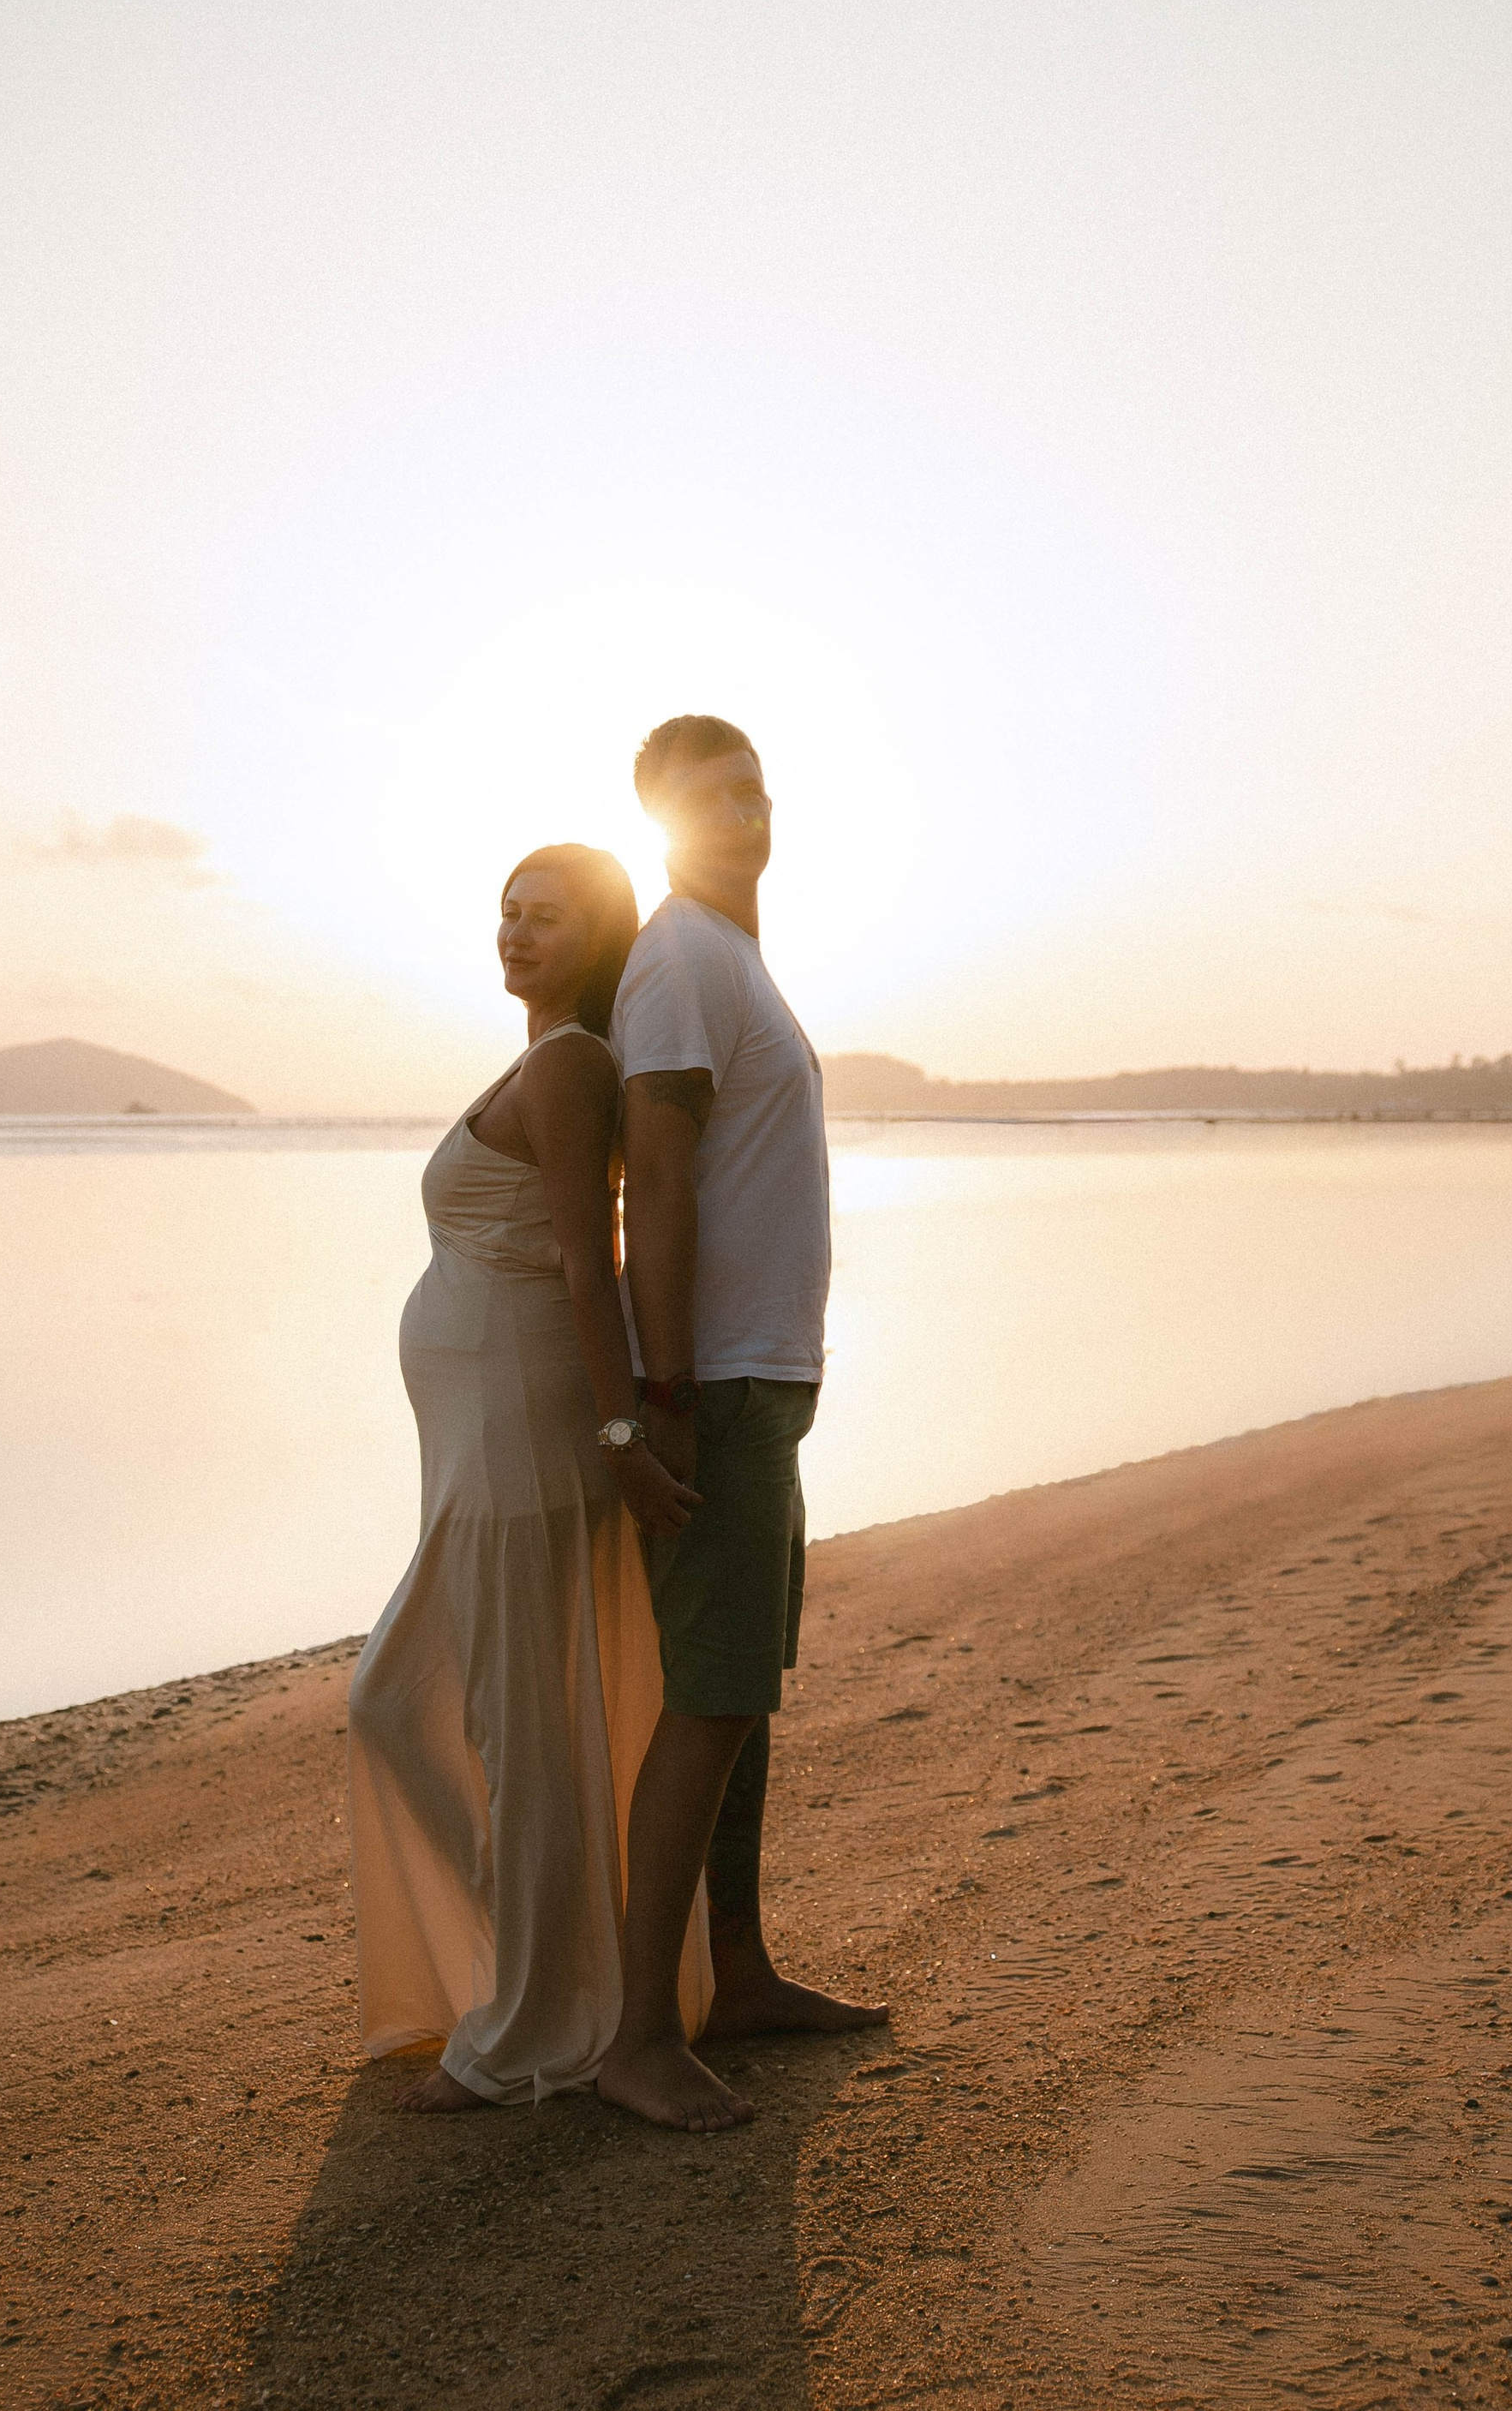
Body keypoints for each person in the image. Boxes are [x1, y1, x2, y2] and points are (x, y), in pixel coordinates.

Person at [346, 844, 710, 2109]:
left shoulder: (566, 1066)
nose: (514, 931)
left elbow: (582, 1259)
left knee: (509, 1734)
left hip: (518, 1428)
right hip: (479, 1438)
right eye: (505, 911)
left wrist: (622, 1441)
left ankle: (530, 2025)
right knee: (428, 1708)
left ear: (594, 938)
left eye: (544, 918)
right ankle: (543, 1964)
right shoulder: (548, 1052)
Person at [595, 716, 888, 2134]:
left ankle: (742, 1973)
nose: (745, 810)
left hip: (763, 1377)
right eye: (711, 795)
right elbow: (653, 1177)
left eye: (755, 787)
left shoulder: (735, 959)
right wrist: (661, 1399)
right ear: (662, 818)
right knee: (709, 1699)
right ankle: (641, 2034)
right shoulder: (681, 960)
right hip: (711, 1384)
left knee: (744, 1697)